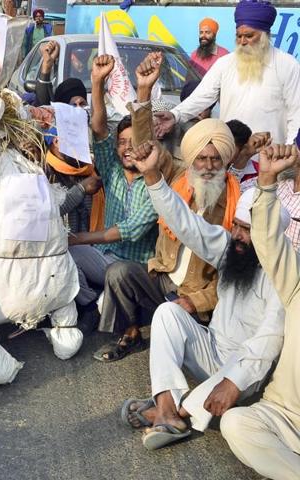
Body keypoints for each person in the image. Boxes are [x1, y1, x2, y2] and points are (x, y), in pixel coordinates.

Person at [121, 141, 285, 451]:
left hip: (246, 371)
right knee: (167, 313)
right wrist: (153, 175)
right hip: (211, 349)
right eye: (236, 225)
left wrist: (233, 381)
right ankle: (168, 409)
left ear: (270, 234)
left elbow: (268, 341)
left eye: (246, 230)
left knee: (241, 362)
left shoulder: (282, 274)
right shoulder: (231, 249)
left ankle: (173, 415)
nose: (236, 235)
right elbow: (187, 225)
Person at [97, 115, 241, 360]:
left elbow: (235, 277)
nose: (208, 166)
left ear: (226, 161)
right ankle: (131, 334)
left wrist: (197, 301)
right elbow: (150, 153)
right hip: (164, 277)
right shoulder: (178, 180)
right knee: (118, 272)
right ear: (191, 159)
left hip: (195, 294)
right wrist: (144, 90)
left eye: (216, 159)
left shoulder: (237, 206)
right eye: (202, 158)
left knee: (181, 349)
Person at [221, 144, 300, 480]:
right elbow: (267, 242)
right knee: (237, 423)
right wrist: (266, 179)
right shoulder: (295, 282)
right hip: (284, 415)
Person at [68, 54, 159, 312]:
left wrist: (78, 238)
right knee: (63, 256)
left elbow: (131, 229)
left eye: (134, 144)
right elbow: (98, 129)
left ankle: (102, 306)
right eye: (121, 143)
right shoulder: (112, 171)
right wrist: (97, 81)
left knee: (107, 295)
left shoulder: (155, 183)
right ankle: (86, 304)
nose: (127, 149)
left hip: (134, 269)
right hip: (104, 259)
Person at [155, 0, 300, 146]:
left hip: (271, 158)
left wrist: (291, 150)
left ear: (265, 35)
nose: (242, 41)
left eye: (249, 36)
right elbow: (201, 96)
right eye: (238, 36)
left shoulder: (287, 65)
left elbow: (296, 113)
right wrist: (175, 114)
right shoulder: (225, 63)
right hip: (232, 155)